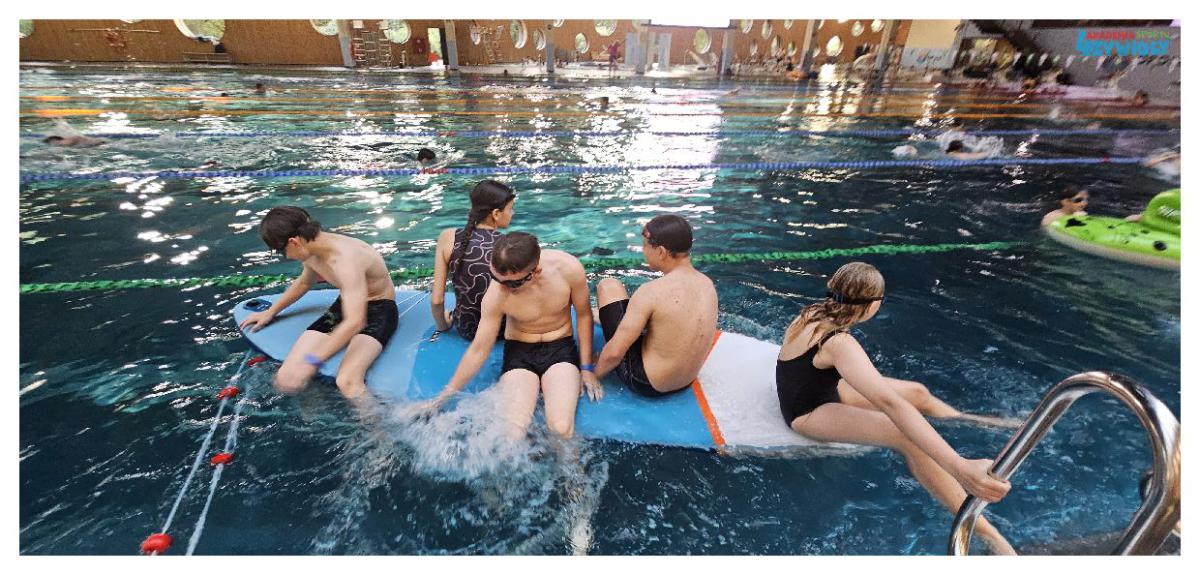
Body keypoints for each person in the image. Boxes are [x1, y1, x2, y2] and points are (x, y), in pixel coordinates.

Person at [775, 262, 1016, 555]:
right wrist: (959, 466)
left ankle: (965, 419)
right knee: (903, 434)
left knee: (918, 393)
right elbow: (889, 403)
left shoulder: (814, 312)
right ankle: (987, 533)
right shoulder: (839, 343)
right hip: (807, 411)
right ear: (873, 305)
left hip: (818, 387)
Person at [416, 232, 599, 439]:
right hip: (519, 353)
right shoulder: (496, 294)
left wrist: (587, 369)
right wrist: (441, 399)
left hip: (560, 350)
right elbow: (479, 350)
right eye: (496, 278)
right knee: (513, 433)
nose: (502, 287)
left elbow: (584, 315)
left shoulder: (568, 269)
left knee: (561, 428)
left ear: (535, 271)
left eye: (512, 283)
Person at [238, 206, 398, 400]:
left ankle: (381, 421)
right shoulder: (311, 247)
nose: (285, 257)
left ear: (293, 242)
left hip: (379, 310)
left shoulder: (344, 260)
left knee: (347, 382)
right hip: (343, 306)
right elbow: (305, 282)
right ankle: (313, 414)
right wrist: (271, 312)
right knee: (286, 377)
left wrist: (313, 360)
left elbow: (356, 322)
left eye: (281, 252)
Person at [593, 215, 718, 398]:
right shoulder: (707, 284)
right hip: (686, 381)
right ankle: (603, 317)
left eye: (645, 246)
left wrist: (592, 376)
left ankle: (604, 318)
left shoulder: (651, 291)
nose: (643, 251)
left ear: (661, 252)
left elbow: (614, 354)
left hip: (647, 383)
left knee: (608, 286)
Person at [431, 180, 516, 340]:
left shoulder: (448, 237)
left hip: (465, 329)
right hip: (501, 330)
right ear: (496, 214)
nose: (512, 213)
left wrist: (443, 326)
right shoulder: (510, 244)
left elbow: (437, 300)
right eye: (510, 209)